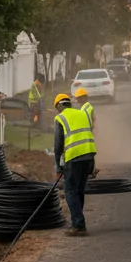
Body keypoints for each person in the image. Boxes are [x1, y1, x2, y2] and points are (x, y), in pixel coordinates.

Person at [53, 93, 97, 236]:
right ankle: (77, 221)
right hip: (89, 155)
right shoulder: (82, 113)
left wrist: (58, 166)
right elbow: (89, 134)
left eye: (57, 108)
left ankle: (78, 225)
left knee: (70, 190)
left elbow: (58, 144)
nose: (57, 111)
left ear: (59, 105)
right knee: (79, 190)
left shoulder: (60, 118)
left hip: (74, 157)